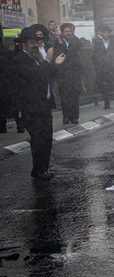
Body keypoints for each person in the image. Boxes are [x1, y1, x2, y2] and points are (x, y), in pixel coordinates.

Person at [12, 27, 66, 180]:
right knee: (38, 140)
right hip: (32, 108)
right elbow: (34, 75)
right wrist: (48, 61)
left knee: (46, 139)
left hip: (44, 106)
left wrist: (55, 63)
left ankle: (43, 169)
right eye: (32, 42)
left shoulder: (37, 59)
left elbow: (50, 74)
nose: (36, 45)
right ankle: (37, 170)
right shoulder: (20, 59)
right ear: (24, 44)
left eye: (38, 42)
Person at [52, 22, 83, 124]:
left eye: (70, 31)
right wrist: (60, 40)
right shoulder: (56, 42)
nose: (68, 33)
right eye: (66, 31)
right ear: (62, 33)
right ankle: (66, 116)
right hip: (63, 75)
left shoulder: (76, 41)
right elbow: (60, 54)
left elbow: (71, 52)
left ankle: (74, 117)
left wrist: (61, 42)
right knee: (65, 97)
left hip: (74, 74)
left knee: (74, 97)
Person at [93, 25, 114, 109]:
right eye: (104, 33)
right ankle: (107, 104)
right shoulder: (98, 44)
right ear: (102, 34)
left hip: (113, 68)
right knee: (105, 87)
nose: (106, 34)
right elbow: (95, 56)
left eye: (107, 33)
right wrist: (99, 65)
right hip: (103, 69)